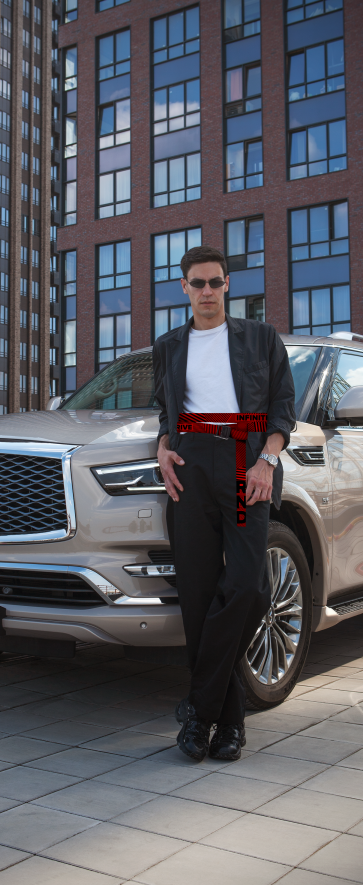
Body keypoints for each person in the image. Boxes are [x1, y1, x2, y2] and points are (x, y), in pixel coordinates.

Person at [153, 245, 295, 761]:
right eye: (198, 283)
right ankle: (226, 725)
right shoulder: (168, 346)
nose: (207, 291)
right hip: (190, 465)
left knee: (247, 586)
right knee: (197, 593)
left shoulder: (260, 338)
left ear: (228, 285)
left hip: (243, 462)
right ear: (184, 288)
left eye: (215, 282)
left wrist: (266, 462)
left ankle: (199, 705)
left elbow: (282, 407)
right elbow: (165, 409)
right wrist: (163, 449)